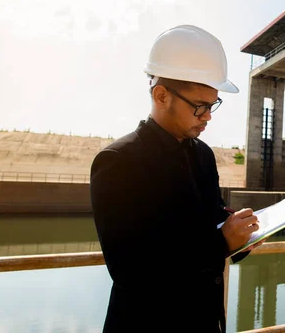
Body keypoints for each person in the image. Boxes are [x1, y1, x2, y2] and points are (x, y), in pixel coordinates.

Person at [90, 24, 261, 333]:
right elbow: (130, 271)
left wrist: (241, 238)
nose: (208, 115)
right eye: (200, 106)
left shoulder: (203, 155)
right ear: (161, 95)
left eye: (213, 105)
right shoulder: (118, 162)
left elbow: (210, 226)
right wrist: (221, 242)